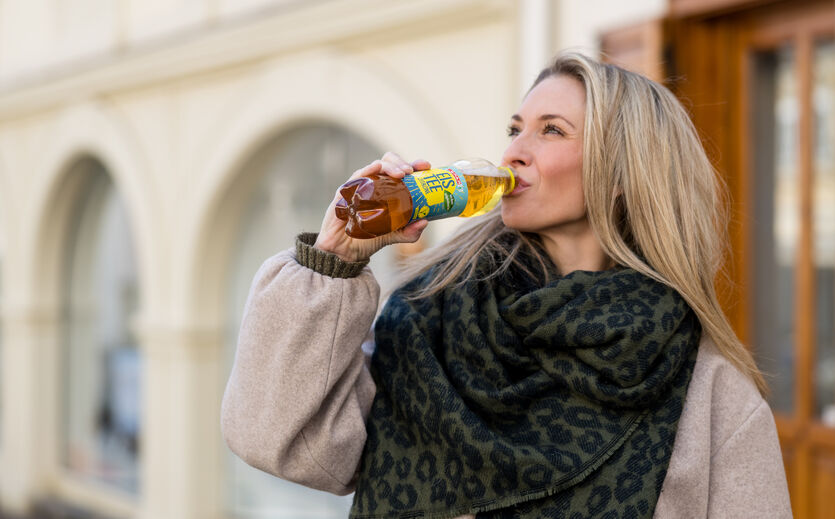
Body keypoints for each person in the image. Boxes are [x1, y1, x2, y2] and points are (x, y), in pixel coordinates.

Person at [221, 52, 793, 518]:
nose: (514, 151)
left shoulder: (710, 399)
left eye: (552, 131)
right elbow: (275, 441)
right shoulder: (428, 325)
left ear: (621, 176)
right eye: (515, 128)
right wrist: (334, 259)